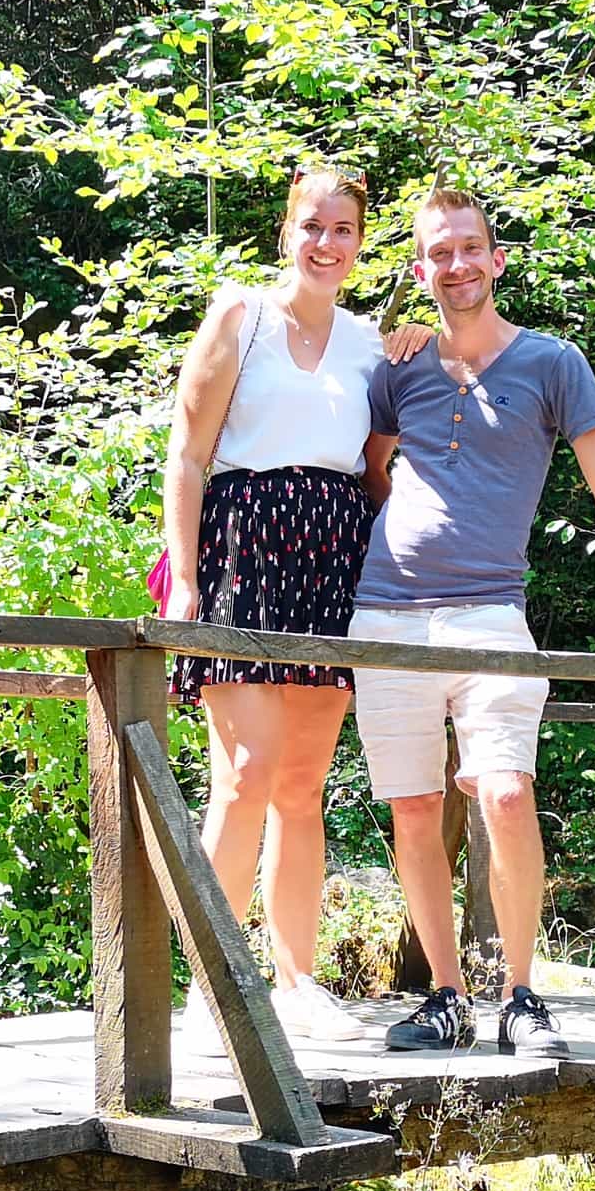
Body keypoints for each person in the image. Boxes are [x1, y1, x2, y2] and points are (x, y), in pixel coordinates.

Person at [352, 187, 595, 1056]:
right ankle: (446, 996)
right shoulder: (395, 366)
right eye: (438, 253)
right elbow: (369, 474)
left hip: (490, 613)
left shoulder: (552, 363)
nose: (456, 264)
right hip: (384, 615)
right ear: (419, 268)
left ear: (497, 259)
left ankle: (521, 993)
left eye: (469, 248)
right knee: (411, 808)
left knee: (506, 793)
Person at [161, 165, 405, 1043]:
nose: (325, 244)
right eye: (310, 226)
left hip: (334, 554)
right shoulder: (239, 315)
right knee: (243, 777)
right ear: (285, 232)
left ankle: (297, 983)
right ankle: (216, 989)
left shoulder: (371, 343)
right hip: (243, 548)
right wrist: (183, 577)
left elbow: (379, 471)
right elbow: (187, 456)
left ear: (360, 240)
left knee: (303, 786)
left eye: (341, 229)